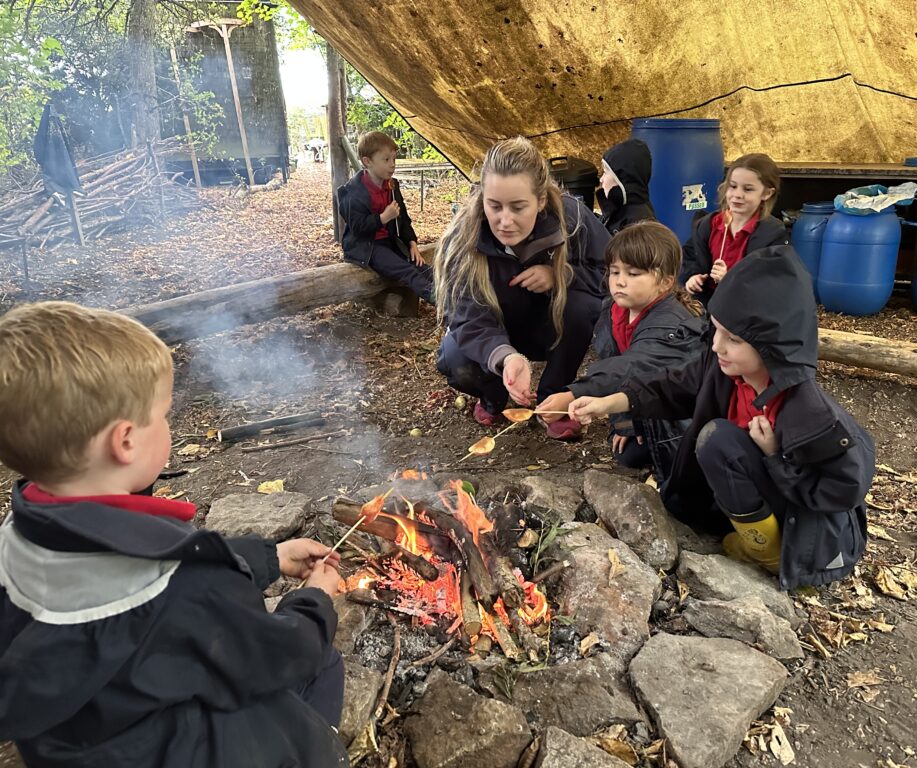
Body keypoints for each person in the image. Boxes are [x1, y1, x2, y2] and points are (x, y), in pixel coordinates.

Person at [0, 302, 349, 768]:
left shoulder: (18, 540)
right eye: (162, 415)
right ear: (124, 442)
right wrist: (315, 601)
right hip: (183, 750)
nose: (167, 424)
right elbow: (279, 654)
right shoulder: (176, 583)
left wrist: (268, 556)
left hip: (78, 743)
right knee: (323, 665)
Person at [570, 246, 873, 589]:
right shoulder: (724, 370)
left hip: (802, 531)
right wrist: (607, 402)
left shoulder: (811, 414)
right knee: (709, 441)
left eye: (734, 339)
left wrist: (776, 457)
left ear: (772, 345)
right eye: (715, 331)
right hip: (750, 495)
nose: (716, 346)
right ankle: (737, 527)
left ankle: (767, 552)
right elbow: (669, 386)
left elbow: (845, 489)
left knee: (718, 439)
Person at [434, 136, 611, 440]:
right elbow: (466, 318)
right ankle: (493, 394)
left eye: (518, 207)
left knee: (583, 306)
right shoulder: (462, 240)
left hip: (549, 327)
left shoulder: (573, 219)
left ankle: (552, 399)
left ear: (540, 200)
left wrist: (560, 275)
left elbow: (610, 272)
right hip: (497, 331)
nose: (504, 221)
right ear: (482, 197)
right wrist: (505, 356)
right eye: (495, 206)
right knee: (455, 360)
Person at [536, 221, 705, 484]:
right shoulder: (613, 312)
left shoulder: (672, 325)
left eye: (634, 274)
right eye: (614, 272)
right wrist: (625, 422)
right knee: (627, 451)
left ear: (665, 282)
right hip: (643, 401)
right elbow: (614, 363)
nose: (619, 282)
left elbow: (633, 366)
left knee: (654, 458)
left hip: (681, 416)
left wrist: (575, 393)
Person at [336, 131, 433, 303]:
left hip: (390, 242)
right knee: (407, 271)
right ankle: (443, 303)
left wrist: (412, 243)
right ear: (368, 162)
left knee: (423, 268)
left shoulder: (392, 186)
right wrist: (382, 218)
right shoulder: (353, 192)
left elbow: (403, 220)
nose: (392, 165)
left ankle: (459, 297)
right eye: (386, 159)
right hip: (367, 247)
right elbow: (358, 228)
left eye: (394, 159)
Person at [681, 153, 788, 305]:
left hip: (744, 312)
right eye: (733, 186)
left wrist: (730, 280)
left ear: (766, 193)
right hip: (706, 308)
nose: (737, 194)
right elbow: (690, 256)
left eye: (748, 189)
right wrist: (693, 277)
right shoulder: (707, 225)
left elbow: (771, 282)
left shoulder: (772, 233)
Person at [596, 138, 657, 235]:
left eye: (606, 172)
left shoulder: (638, 225)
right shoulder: (622, 209)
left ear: (622, 178)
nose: (601, 179)